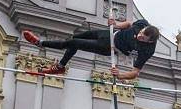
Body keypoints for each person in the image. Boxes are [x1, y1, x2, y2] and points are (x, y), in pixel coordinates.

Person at [22, 17, 160, 78]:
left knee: (73, 43)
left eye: (142, 38)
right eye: (140, 33)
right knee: (74, 39)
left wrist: (120, 75)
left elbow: (135, 72)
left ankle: (39, 43)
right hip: (109, 34)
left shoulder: (147, 50)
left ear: (149, 41)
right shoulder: (143, 24)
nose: (139, 36)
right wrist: (116, 24)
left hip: (109, 47)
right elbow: (130, 24)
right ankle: (60, 66)